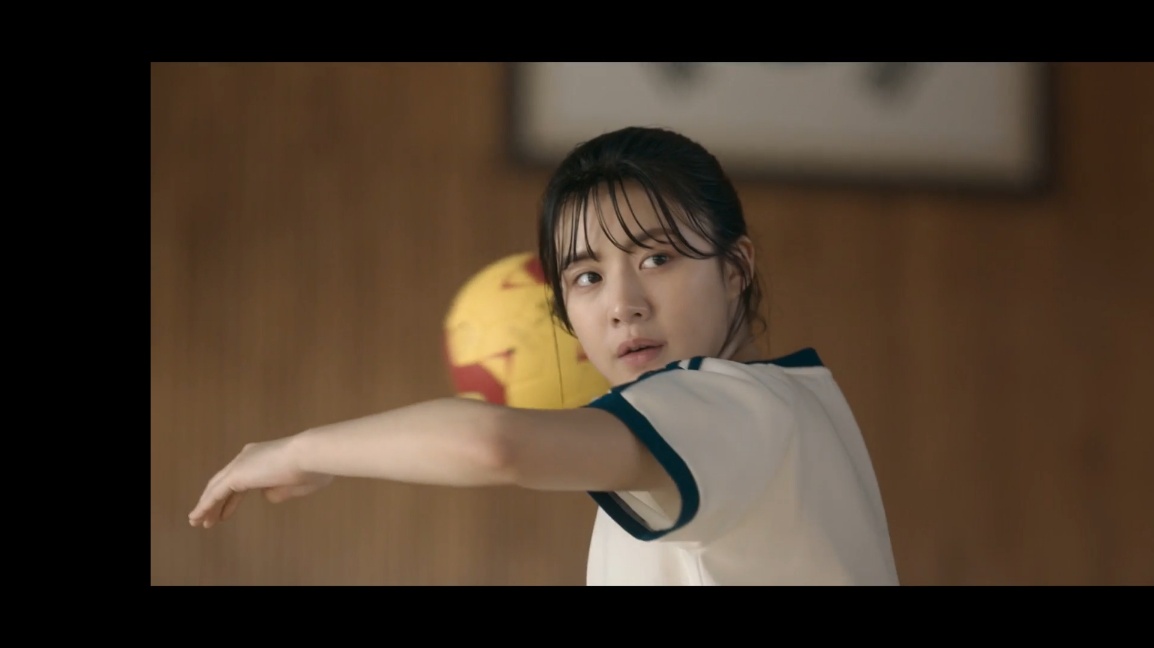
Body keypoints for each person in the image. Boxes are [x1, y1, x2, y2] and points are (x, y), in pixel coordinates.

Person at [188, 126, 901, 586]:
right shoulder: (783, 402)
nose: (622, 303)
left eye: (657, 258)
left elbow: (493, 445)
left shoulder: (732, 405)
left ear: (735, 267)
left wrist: (299, 451)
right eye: (586, 276)